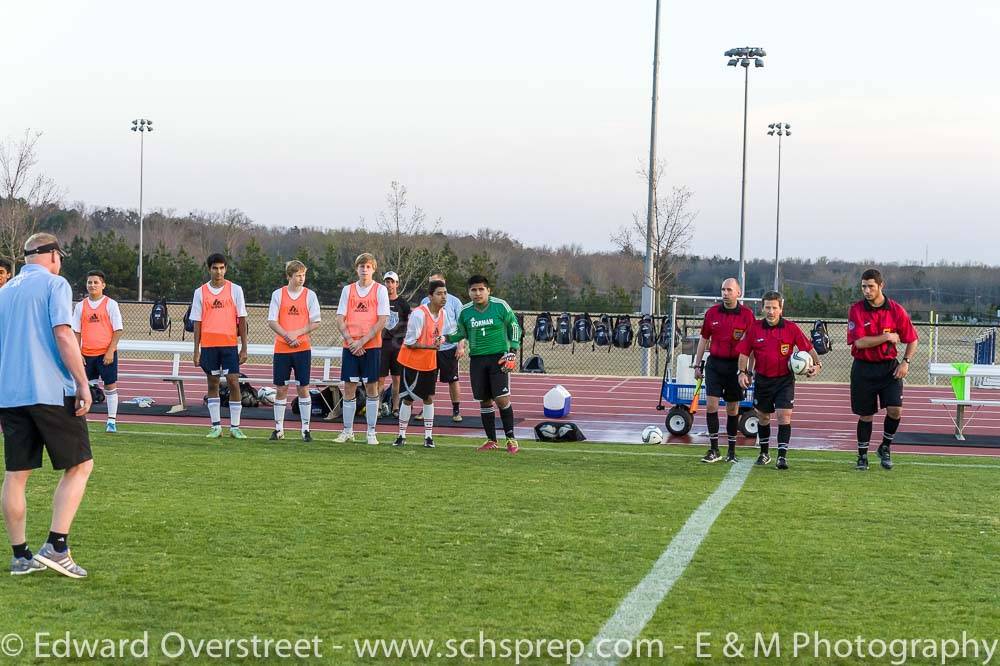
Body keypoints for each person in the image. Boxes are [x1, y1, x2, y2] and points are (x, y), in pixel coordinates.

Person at [0, 233, 93, 578]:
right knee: (81, 465)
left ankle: (20, 556)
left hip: (10, 395)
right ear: (52, 255)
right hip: (51, 391)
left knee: (15, 476)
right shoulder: (56, 285)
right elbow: (63, 334)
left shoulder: (4, 292)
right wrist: (83, 382)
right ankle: (56, 545)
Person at [736, 291, 821, 470]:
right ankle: (764, 453)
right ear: (762, 308)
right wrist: (742, 373)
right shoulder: (754, 328)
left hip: (784, 381)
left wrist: (817, 364)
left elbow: (809, 348)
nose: (771, 311)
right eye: (767, 307)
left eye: (774, 307)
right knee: (763, 417)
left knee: (784, 416)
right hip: (762, 380)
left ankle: (782, 456)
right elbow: (744, 353)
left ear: (781, 309)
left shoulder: (791, 328)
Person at [848, 268, 918, 471]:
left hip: (889, 369)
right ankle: (862, 456)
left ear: (881, 286)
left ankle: (885, 447)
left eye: (871, 286)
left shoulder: (896, 310)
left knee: (896, 410)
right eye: (863, 287)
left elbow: (912, 339)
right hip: (863, 369)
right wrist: (887, 337)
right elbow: (860, 343)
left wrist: (905, 362)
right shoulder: (857, 310)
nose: (867, 291)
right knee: (866, 415)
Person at [446, 275, 522, 454]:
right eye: (473, 290)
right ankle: (491, 440)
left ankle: (511, 439)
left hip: (498, 358)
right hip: (477, 360)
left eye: (481, 289)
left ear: (489, 291)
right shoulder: (465, 312)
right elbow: (459, 333)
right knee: (484, 401)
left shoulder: (500, 306)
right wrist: (444, 338)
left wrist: (513, 351)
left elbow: (514, 326)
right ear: (469, 292)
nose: (477, 293)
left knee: (502, 399)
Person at [692, 278, 756, 463]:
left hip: (736, 367)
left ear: (739, 292)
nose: (725, 293)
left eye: (729, 289)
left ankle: (731, 451)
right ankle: (713, 450)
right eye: (723, 289)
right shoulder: (712, 313)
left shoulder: (747, 315)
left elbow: (751, 347)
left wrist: (748, 371)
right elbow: (703, 339)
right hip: (714, 365)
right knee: (711, 405)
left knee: (732, 408)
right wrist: (697, 365)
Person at [190, 253, 249, 440]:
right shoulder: (200, 292)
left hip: (230, 345)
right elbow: (197, 322)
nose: (219, 271)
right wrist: (196, 350)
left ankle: (235, 427)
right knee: (213, 383)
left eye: (222, 268)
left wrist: (244, 347)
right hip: (209, 346)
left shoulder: (236, 290)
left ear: (226, 269)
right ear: (209, 269)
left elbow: (242, 319)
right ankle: (216, 426)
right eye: (215, 268)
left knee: (233, 382)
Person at [335, 253, 389, 445]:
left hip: (371, 347)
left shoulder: (380, 290)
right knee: (349, 387)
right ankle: (347, 431)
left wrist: (363, 342)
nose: (364, 269)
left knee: (371, 387)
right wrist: (351, 341)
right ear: (356, 269)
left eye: (368, 266)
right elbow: (340, 318)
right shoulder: (348, 290)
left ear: (373, 269)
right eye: (361, 266)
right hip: (350, 346)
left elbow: (382, 320)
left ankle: (371, 432)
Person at [266, 260, 322, 442]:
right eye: (298, 275)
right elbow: (272, 320)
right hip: (282, 348)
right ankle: (279, 429)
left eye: (303, 275)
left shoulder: (310, 295)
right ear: (289, 276)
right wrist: (287, 336)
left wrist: (296, 334)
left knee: (303, 387)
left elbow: (316, 321)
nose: (301, 279)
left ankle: (305, 429)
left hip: (302, 348)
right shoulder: (278, 294)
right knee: (281, 388)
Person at [393, 280, 451, 449]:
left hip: (429, 362)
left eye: (445, 293)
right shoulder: (419, 314)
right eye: (439, 294)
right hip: (411, 361)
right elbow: (410, 343)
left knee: (429, 398)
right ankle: (401, 435)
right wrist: (431, 346)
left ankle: (428, 437)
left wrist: (441, 339)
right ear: (430, 296)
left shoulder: (444, 314)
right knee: (408, 399)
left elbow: (444, 333)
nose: (443, 297)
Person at [71, 270, 124, 433]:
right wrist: (78, 353)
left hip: (105, 354)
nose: (92, 285)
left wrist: (110, 351)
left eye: (96, 282)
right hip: (86, 354)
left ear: (103, 285)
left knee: (110, 386)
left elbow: (118, 330)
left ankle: (111, 421)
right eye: (89, 282)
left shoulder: (110, 304)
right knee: (83, 386)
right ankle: (81, 419)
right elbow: (76, 332)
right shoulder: (80, 306)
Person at [421, 273, 467, 422]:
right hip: (430, 349)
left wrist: (460, 346)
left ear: (444, 282)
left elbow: (461, 325)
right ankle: (425, 409)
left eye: (438, 282)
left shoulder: (454, 301)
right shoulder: (424, 301)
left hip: (448, 347)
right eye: (432, 283)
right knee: (428, 380)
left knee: (453, 380)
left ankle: (456, 410)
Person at [377, 270, 411, 417]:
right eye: (387, 281)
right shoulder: (379, 301)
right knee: (380, 378)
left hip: (397, 346)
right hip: (382, 344)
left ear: (397, 284)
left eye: (392, 281)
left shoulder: (403, 303)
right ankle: (377, 406)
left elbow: (410, 324)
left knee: (397, 378)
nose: (389, 284)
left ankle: (395, 407)